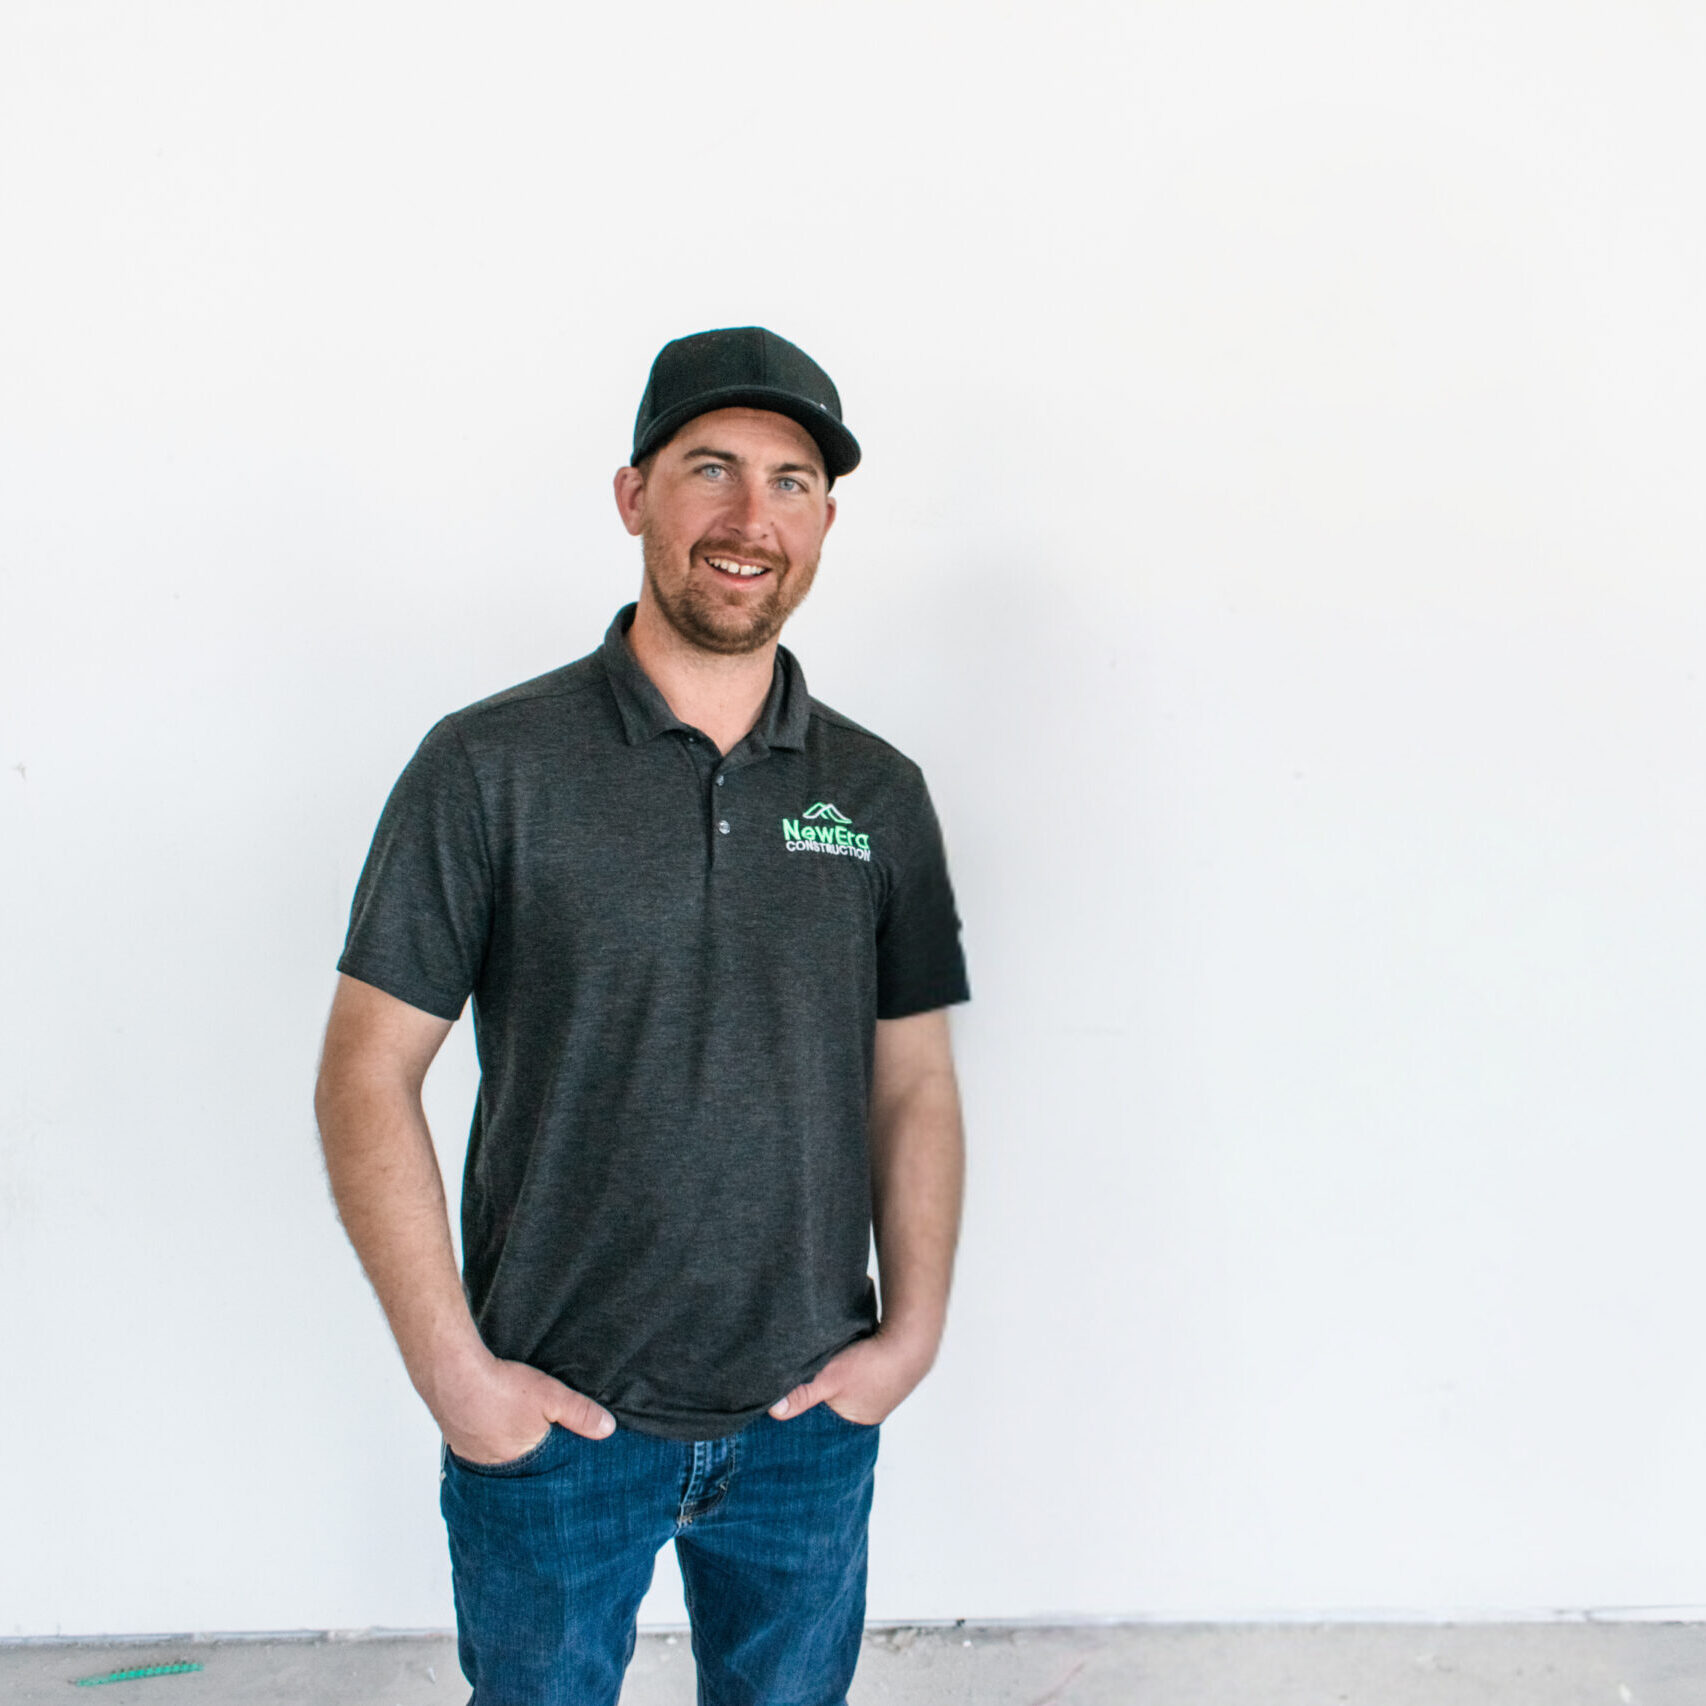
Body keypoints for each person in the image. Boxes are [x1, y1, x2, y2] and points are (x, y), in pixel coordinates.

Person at [315, 325, 970, 1706]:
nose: (749, 520)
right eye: (711, 471)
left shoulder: (877, 791)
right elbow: (366, 1073)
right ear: (634, 495)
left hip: (807, 1418)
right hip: (554, 1420)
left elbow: (910, 1079)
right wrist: (457, 1373)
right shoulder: (489, 765)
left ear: (826, 522)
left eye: (790, 483)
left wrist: (908, 1336)